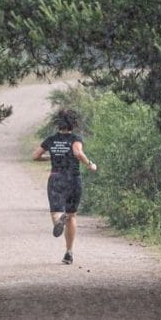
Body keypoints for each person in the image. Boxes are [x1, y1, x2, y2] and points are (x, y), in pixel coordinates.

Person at [32, 109, 97, 265]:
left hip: (56, 178)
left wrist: (52, 157)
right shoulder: (75, 138)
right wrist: (90, 165)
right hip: (74, 179)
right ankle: (69, 252)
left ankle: (59, 219)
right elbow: (77, 152)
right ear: (72, 124)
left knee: (56, 212)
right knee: (72, 215)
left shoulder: (51, 140)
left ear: (58, 124)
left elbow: (35, 156)